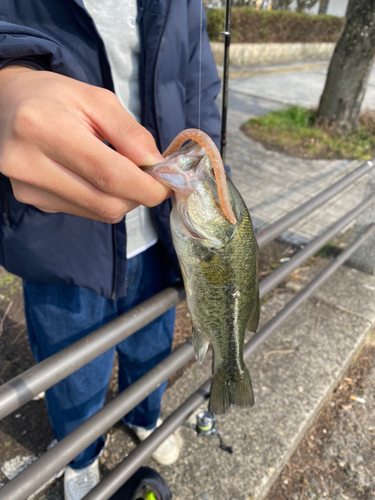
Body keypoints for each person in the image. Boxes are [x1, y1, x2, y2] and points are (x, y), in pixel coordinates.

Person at [0, 1, 221, 499]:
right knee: (74, 370)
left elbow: (201, 87)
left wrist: (214, 178)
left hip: (162, 234)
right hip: (57, 240)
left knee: (152, 345)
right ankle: (80, 455)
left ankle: (146, 416)